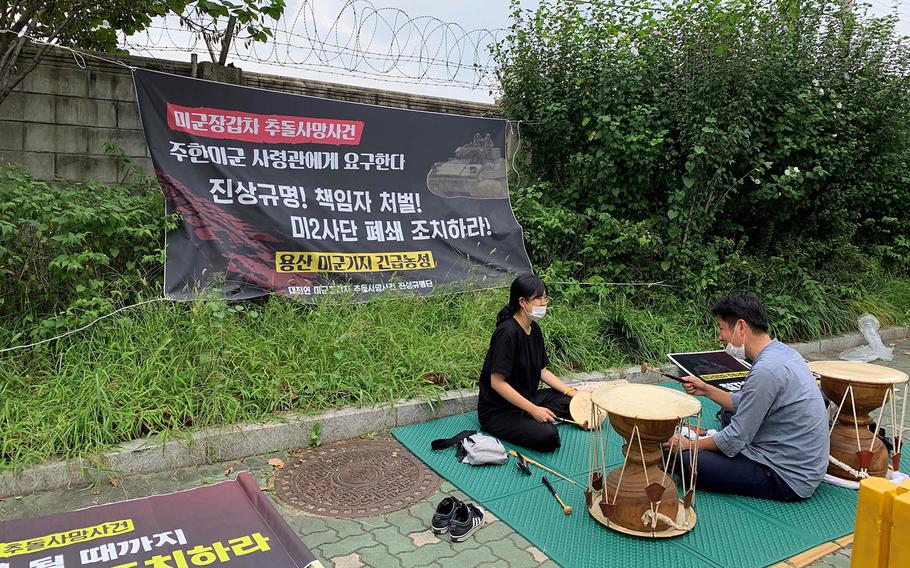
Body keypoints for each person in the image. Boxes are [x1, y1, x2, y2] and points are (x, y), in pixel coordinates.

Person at [667, 292, 829, 501]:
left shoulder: (766, 370)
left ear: (741, 327)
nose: (720, 337)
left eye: (721, 327)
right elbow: (747, 404)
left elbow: (735, 438)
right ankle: (704, 438)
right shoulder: (782, 352)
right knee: (728, 412)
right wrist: (706, 389)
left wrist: (689, 444)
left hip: (786, 476)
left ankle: (696, 441)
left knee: (685, 460)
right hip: (796, 458)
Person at [477, 274, 577, 452]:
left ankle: (535, 414)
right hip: (499, 411)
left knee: (570, 402)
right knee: (548, 436)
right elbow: (497, 383)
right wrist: (533, 410)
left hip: (526, 398)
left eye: (545, 297)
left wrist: (573, 393)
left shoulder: (534, 328)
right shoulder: (506, 334)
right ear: (522, 302)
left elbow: (542, 371)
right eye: (539, 298)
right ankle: (532, 417)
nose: (544, 302)